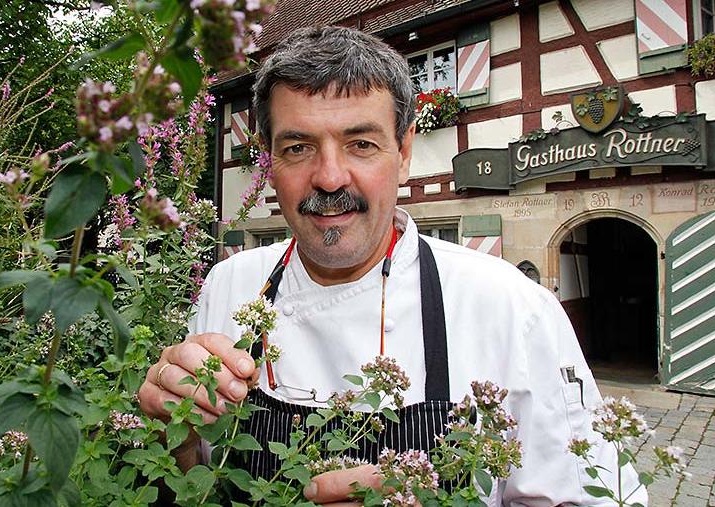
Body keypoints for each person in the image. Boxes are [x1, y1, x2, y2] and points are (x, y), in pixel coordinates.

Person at [138, 26, 647, 506]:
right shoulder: (230, 285)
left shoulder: (512, 307)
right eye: (298, 148)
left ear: (403, 153)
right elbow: (194, 473)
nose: (331, 178)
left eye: (362, 144)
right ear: (270, 162)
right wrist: (171, 432)